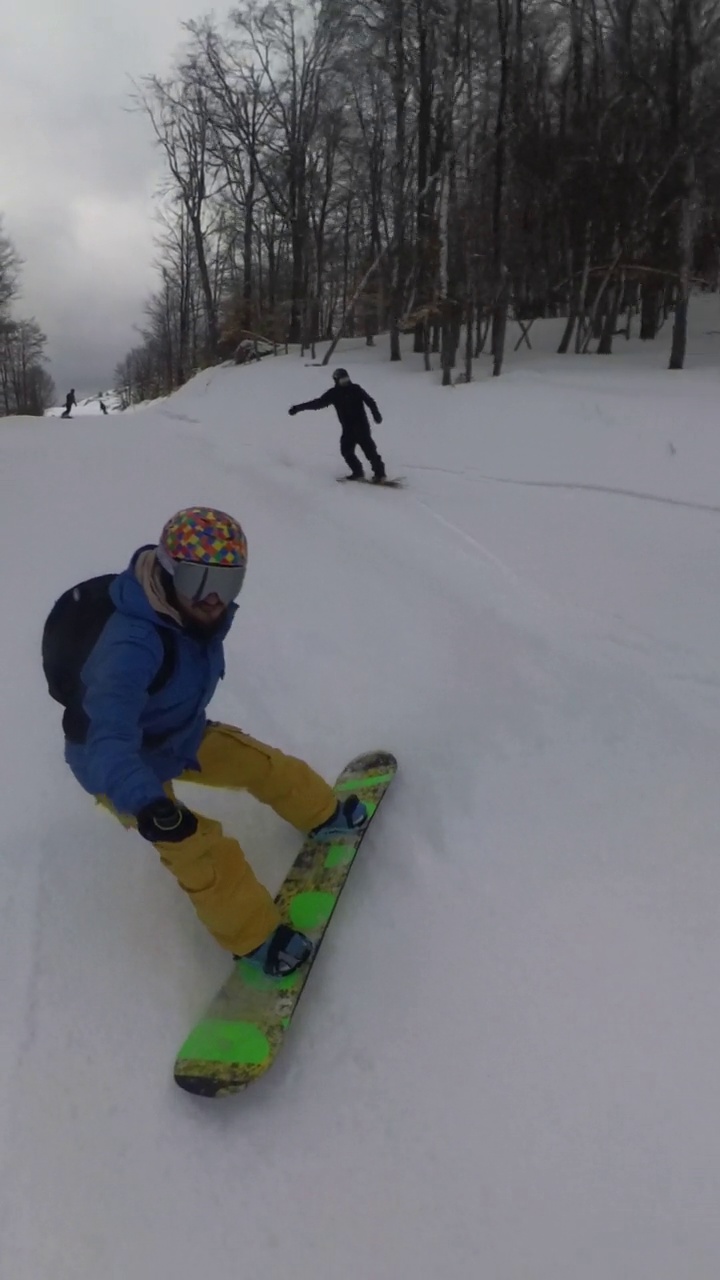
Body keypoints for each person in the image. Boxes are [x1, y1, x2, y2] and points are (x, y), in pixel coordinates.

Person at [54, 507, 369, 977]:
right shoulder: (130, 645)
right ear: (167, 570)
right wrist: (147, 805)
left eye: (229, 583)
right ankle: (256, 939)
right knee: (198, 847)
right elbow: (109, 737)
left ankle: (322, 811)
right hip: (116, 765)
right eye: (199, 580)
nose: (213, 599)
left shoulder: (189, 617)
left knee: (258, 764)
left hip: (175, 735)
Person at [289, 368, 386, 482]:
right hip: (348, 428)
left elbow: (370, 401)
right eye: (342, 380)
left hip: (361, 427)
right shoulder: (334, 393)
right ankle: (357, 472)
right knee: (346, 451)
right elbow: (318, 403)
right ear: (336, 381)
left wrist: (376, 414)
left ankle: (380, 474)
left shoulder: (356, 389)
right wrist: (298, 408)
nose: (345, 382)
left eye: (346, 379)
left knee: (370, 451)